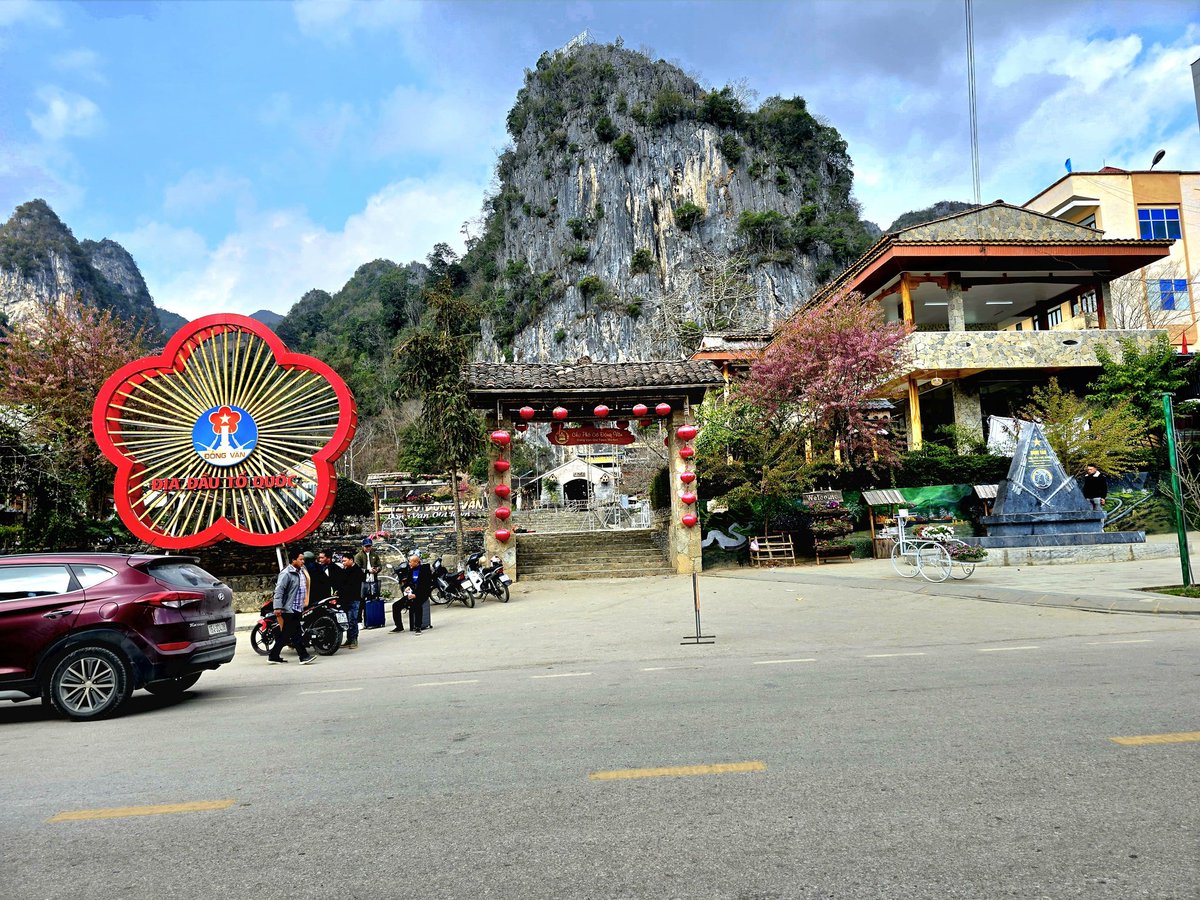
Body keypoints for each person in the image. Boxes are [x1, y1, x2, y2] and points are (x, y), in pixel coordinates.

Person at [269, 551, 315, 665]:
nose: (303, 562)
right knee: (296, 633)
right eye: (300, 560)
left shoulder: (301, 572)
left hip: (298, 607)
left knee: (286, 635)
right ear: (293, 560)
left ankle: (273, 655)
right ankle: (303, 656)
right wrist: (277, 607)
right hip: (289, 608)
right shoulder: (286, 574)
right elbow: (279, 591)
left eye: (303, 560)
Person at [401, 553, 432, 635]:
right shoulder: (411, 570)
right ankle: (399, 627)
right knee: (396, 605)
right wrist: (406, 587)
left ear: (416, 562)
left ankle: (418, 627)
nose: (409, 563)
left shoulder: (424, 571)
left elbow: (425, 587)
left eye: (410, 562)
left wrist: (416, 595)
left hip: (422, 594)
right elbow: (407, 583)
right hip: (411, 593)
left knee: (417, 604)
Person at [340, 553, 368, 633]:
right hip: (347, 598)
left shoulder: (357, 571)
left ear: (351, 560)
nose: (343, 563)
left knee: (352, 620)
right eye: (342, 561)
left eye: (345, 561)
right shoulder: (346, 570)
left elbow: (353, 585)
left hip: (354, 598)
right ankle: (349, 639)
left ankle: (353, 639)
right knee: (348, 620)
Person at [354, 538, 383, 609]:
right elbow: (357, 569)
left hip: (373, 578)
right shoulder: (358, 556)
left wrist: (376, 569)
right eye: (366, 546)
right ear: (363, 546)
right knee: (362, 598)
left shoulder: (374, 555)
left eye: (369, 546)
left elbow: (379, 565)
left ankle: (371, 616)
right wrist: (367, 571)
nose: (368, 548)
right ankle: (360, 618)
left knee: (373, 596)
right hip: (363, 580)